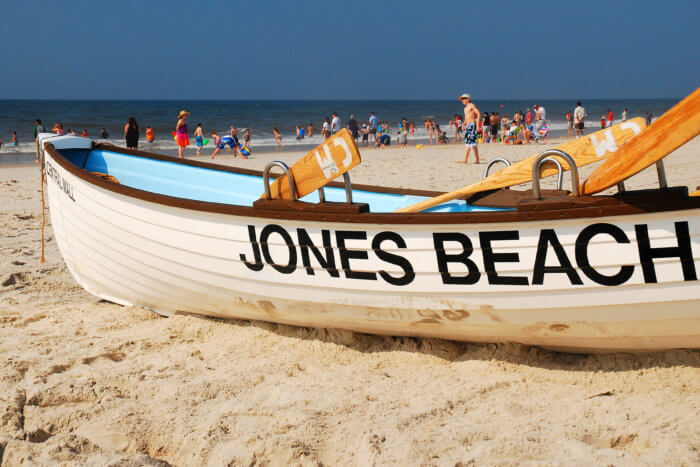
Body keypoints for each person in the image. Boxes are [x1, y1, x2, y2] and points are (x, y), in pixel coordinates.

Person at [458, 93, 481, 163]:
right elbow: (466, 118)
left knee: (473, 144)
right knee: (468, 143)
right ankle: (466, 160)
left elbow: (478, 114)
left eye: (463, 99)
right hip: (468, 125)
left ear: (468, 99)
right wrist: (463, 125)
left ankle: (476, 160)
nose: (462, 100)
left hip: (472, 125)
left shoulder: (472, 105)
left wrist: (477, 125)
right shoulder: (465, 108)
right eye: (462, 99)